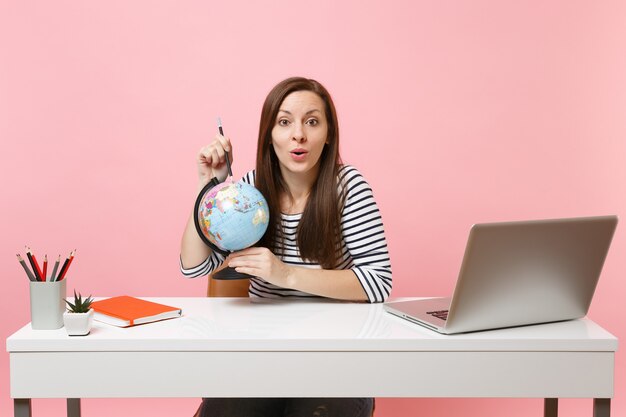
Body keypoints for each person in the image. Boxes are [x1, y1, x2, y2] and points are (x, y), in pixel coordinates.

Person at [180, 77, 392, 417]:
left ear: (328, 135)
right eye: (284, 122)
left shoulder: (348, 186)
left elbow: (378, 282)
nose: (299, 135)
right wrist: (208, 187)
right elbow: (194, 265)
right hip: (264, 360)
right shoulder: (249, 191)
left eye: (312, 121)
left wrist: (285, 274)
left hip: (337, 362)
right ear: (269, 136)